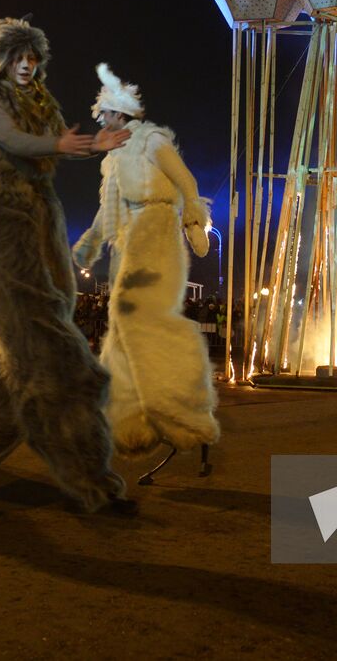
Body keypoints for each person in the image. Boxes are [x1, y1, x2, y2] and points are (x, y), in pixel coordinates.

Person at [0, 16, 135, 516]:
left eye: (33, 57)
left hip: (40, 211)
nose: (26, 65)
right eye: (18, 57)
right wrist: (62, 145)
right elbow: (13, 141)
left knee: (18, 335)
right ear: (2, 60)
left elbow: (55, 145)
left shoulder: (41, 100)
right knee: (47, 346)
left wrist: (93, 144)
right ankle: (93, 479)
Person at [72, 63, 218, 483]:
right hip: (131, 240)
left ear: (120, 116)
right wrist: (88, 243)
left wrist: (193, 217)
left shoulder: (152, 141)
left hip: (156, 233)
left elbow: (186, 180)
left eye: (105, 117)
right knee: (121, 326)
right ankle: (130, 423)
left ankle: (184, 407)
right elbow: (108, 209)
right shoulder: (114, 162)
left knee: (136, 318)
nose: (101, 124)